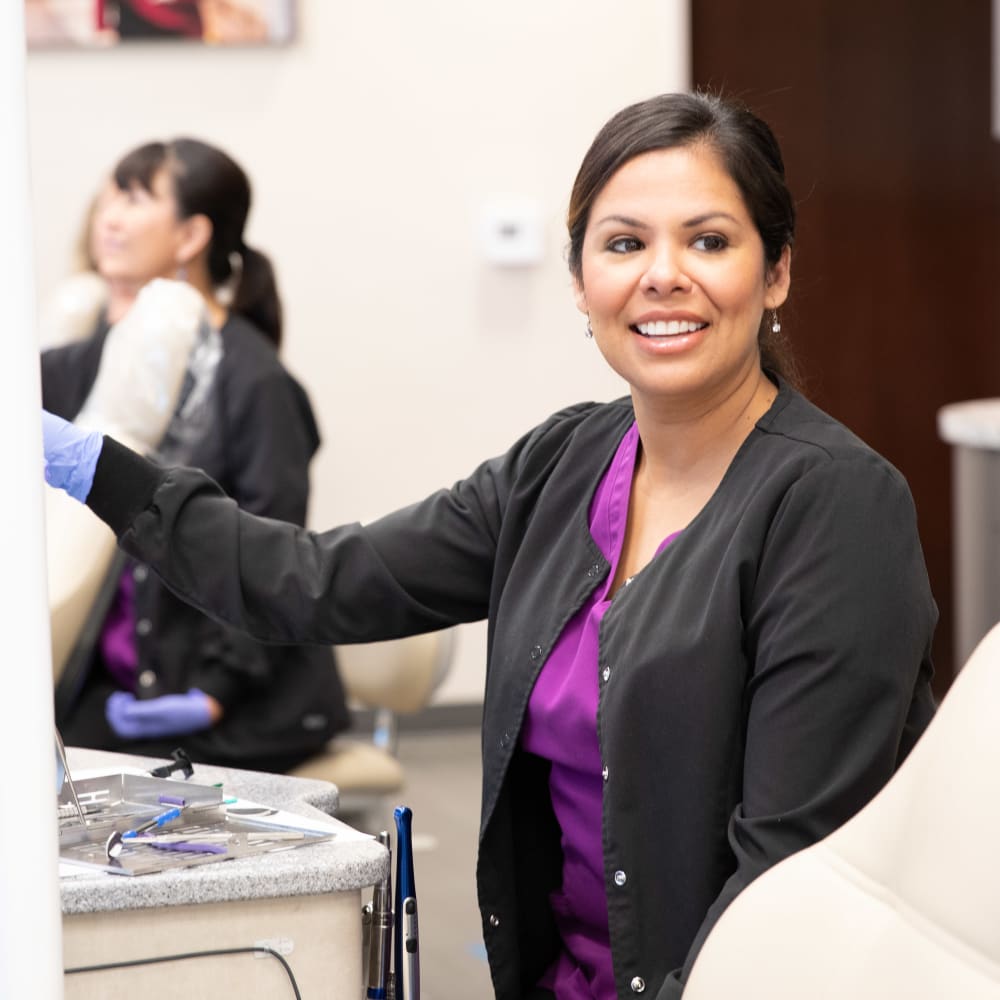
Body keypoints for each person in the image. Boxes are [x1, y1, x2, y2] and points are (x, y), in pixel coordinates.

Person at [42, 93, 937, 998]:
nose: (663, 275)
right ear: (583, 281)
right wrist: (97, 470)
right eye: (624, 244)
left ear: (776, 270)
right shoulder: (561, 465)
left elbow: (788, 884)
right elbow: (315, 583)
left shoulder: (835, 506)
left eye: (709, 240)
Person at [41, 136, 349, 773]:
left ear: (190, 238)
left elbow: (276, 551)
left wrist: (214, 693)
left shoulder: (255, 380)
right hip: (121, 687)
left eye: (135, 198)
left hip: (233, 702)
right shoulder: (88, 360)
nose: (109, 218)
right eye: (107, 197)